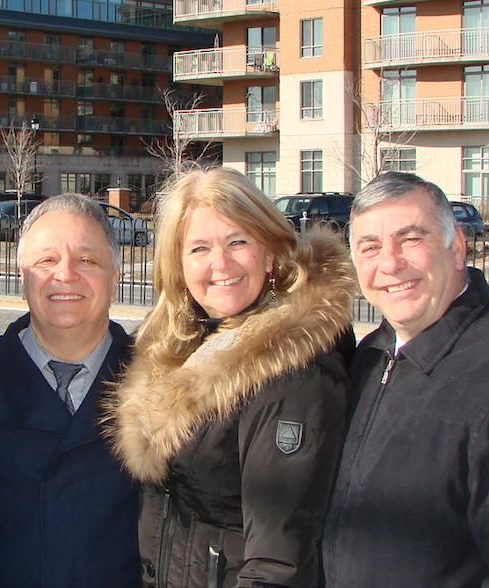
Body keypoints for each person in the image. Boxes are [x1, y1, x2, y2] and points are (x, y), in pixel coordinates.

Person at [106, 167, 355, 588]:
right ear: (179, 266)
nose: (220, 263)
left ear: (271, 251)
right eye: (199, 248)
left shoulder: (292, 374)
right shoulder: (178, 350)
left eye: (238, 241)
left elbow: (280, 564)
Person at [322, 171, 489, 587]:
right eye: (370, 247)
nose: (390, 263)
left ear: (456, 249)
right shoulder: (368, 359)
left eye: (411, 239)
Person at [0, 194, 140, 588]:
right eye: (46, 261)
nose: (65, 274)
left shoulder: (163, 382)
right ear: (22, 278)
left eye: (87, 260)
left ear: (116, 277)